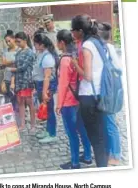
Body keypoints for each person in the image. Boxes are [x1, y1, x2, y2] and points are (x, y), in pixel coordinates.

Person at [70, 14, 108, 167]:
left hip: (89, 96)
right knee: (100, 134)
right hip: (101, 93)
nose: (72, 34)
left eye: (73, 30)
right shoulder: (99, 42)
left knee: (96, 138)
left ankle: (102, 168)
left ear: (79, 30)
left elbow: (88, 76)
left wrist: (74, 64)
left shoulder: (86, 46)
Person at [55, 29, 93, 170]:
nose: (56, 44)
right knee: (82, 130)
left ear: (62, 42)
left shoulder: (65, 60)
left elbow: (63, 84)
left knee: (72, 134)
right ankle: (88, 156)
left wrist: (59, 104)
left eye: (57, 41)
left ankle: (75, 162)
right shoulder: (75, 55)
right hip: (78, 98)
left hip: (68, 102)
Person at [98, 22, 122, 166]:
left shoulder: (108, 48)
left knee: (111, 124)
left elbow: (118, 69)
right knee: (107, 123)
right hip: (106, 90)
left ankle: (116, 155)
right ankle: (110, 151)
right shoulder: (105, 48)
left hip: (109, 92)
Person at [32, 33, 59, 143]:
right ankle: (48, 130)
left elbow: (47, 76)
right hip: (40, 84)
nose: (34, 45)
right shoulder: (41, 54)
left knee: (49, 110)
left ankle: (52, 134)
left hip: (46, 85)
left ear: (42, 45)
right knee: (46, 109)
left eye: (36, 44)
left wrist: (44, 92)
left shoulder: (48, 57)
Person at [7, 32, 36, 130]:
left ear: (25, 40)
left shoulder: (30, 52)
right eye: (16, 42)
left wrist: (11, 69)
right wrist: (13, 81)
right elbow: (16, 66)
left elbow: (22, 67)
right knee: (20, 102)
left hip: (27, 80)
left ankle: (33, 125)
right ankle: (22, 124)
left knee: (29, 103)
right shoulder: (19, 52)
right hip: (19, 81)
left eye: (19, 42)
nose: (18, 44)